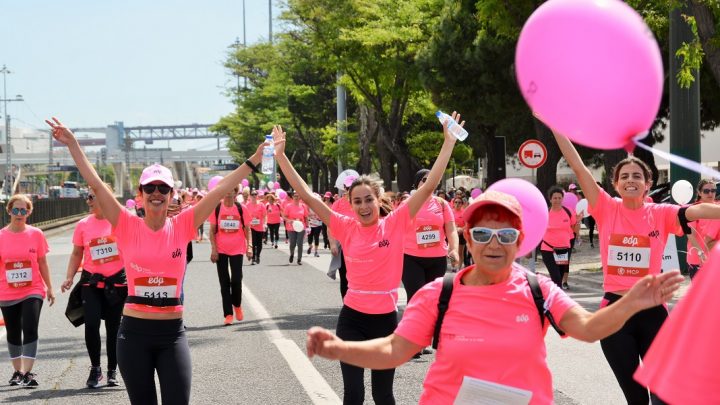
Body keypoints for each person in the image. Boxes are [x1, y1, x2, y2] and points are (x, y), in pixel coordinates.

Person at [306, 190, 684, 404]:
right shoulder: (440, 293)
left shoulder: (538, 289)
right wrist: (340, 349)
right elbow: (393, 349)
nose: (493, 244)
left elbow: (586, 328)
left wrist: (632, 302)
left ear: (519, 242)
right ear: (468, 239)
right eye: (483, 235)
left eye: (505, 236)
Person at [47, 117, 264, 405]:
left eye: (163, 188)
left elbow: (220, 189)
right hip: (134, 335)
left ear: (172, 194)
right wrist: (74, 144)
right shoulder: (126, 225)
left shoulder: (184, 224)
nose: (157, 194)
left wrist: (256, 159)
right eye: (150, 188)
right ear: (140, 195)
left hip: (172, 335)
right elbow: (96, 185)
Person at [276, 111, 461, 404]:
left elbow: (428, 186)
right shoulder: (345, 226)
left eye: (368, 200)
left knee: (383, 395)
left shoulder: (396, 222)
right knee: (354, 394)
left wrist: (448, 142)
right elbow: (308, 196)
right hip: (352, 320)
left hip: (386, 323)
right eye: (357, 201)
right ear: (350, 204)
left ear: (378, 200)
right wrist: (281, 156)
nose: (363, 206)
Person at [552, 129, 720, 404]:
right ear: (615, 184)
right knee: (636, 398)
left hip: (653, 313)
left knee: (664, 394)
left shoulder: (660, 213)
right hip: (614, 314)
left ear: (648, 183)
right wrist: (555, 125)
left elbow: (699, 210)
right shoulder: (606, 208)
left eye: (637, 176)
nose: (631, 180)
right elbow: (578, 166)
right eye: (625, 177)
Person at [62, 184, 127, 388]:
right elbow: (76, 254)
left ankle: (111, 371)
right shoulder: (83, 225)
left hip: (116, 282)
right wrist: (69, 277)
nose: (88, 201)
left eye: (91, 196)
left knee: (113, 328)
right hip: (91, 281)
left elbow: (134, 249)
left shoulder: (120, 222)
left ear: (104, 197)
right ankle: (95, 369)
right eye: (87, 197)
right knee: (91, 324)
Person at [401, 170, 459, 357]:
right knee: (416, 298)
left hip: (436, 259)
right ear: (417, 183)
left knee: (432, 300)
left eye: (432, 180)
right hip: (411, 257)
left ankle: (424, 339)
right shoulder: (407, 203)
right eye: (424, 180)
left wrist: (454, 249)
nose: (429, 183)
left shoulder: (442, 205)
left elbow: (451, 230)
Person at [0, 194, 54, 388]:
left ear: (29, 212)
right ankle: (17, 371)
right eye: (16, 210)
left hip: (33, 289)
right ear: (9, 211)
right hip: (7, 291)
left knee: (30, 327)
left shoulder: (36, 234)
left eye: (24, 210)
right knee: (13, 332)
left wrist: (49, 288)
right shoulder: (1, 236)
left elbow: (42, 262)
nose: (20, 214)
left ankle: (28, 373)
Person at [208, 185, 251, 325]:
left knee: (237, 279)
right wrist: (213, 249)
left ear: (235, 192)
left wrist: (249, 246)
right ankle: (228, 314)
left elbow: (247, 228)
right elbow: (212, 231)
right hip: (221, 249)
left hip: (237, 248)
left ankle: (237, 305)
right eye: (226, 190)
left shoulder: (241, 208)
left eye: (231, 189)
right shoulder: (217, 208)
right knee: (224, 282)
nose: (228, 192)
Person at [540, 186, 578, 289]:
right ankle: (558, 302)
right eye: (555, 198)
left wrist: (578, 221)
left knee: (560, 277)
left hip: (564, 250)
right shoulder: (545, 213)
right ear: (550, 199)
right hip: (548, 249)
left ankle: (552, 297)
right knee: (556, 277)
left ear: (562, 199)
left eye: (559, 198)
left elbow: (575, 229)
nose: (557, 200)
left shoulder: (568, 212)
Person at [685, 179, 720, 280]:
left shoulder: (718, 207)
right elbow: (689, 233)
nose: (710, 193)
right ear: (699, 192)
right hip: (697, 259)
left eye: (713, 190)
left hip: (715, 259)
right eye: (706, 191)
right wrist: (700, 252)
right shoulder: (694, 209)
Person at [283, 191, 309, 265]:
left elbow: (306, 217)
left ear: (300, 197)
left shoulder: (303, 206)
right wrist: (289, 220)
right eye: (295, 196)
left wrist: (307, 226)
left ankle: (299, 259)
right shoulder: (288, 206)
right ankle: (292, 254)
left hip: (301, 227)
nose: (296, 197)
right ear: (292, 197)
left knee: (300, 243)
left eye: (298, 196)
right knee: (292, 243)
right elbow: (284, 216)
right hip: (291, 227)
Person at [246, 190, 266, 264]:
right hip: (251, 227)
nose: (254, 196)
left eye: (255, 194)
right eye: (252, 194)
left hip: (260, 227)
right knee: (253, 243)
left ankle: (258, 255)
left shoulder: (261, 205)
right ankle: (253, 258)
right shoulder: (247, 205)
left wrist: (265, 224)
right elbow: (245, 216)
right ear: (250, 196)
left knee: (259, 244)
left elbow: (264, 215)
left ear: (257, 196)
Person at [451, 195, 469, 268]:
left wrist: (461, 229)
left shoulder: (464, 212)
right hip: (452, 234)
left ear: (462, 204)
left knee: (460, 252)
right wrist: (454, 228)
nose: (457, 204)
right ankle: (453, 266)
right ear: (453, 203)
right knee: (452, 251)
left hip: (461, 234)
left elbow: (467, 224)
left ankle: (459, 268)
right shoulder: (450, 212)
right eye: (456, 202)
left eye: (459, 202)